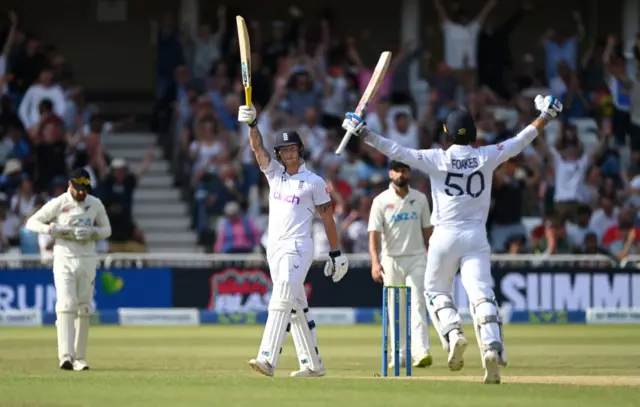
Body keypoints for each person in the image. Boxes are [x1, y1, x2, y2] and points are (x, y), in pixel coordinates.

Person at [342, 95, 563, 384]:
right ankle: (493, 347)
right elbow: (521, 140)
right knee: (482, 293)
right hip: (475, 236)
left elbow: (396, 149)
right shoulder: (487, 154)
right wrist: (546, 116)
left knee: (434, 290)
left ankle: (453, 331)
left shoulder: (438, 158)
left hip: (444, 236)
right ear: (473, 134)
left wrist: (364, 132)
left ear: (446, 135)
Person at [237, 104, 349, 377]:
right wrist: (252, 125)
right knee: (297, 305)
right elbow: (257, 149)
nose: (288, 154)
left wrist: (336, 252)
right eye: (283, 151)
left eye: (292, 149)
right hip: (274, 247)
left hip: (298, 246)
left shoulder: (314, 182)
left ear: (300, 150)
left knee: (282, 294)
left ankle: (267, 358)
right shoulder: (275, 174)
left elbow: (328, 219)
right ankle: (313, 364)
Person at [25, 168, 112, 371]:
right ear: (70, 185)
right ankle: (65, 356)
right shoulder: (59, 203)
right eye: (79, 189)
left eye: (85, 190)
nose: (82, 193)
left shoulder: (94, 204)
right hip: (64, 259)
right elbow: (31, 222)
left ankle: (79, 358)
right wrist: (52, 229)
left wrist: (92, 233)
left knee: (84, 307)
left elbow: (107, 230)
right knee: (66, 305)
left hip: (88, 260)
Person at [368, 160, 433, 369]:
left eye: (405, 171)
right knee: (396, 309)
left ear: (409, 173)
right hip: (391, 259)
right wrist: (375, 263)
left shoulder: (420, 199)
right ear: (390, 173)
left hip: (416, 258)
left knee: (417, 304)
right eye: (398, 171)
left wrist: (432, 256)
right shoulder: (381, 201)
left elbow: (428, 232)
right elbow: (374, 236)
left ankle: (421, 351)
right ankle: (400, 354)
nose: (401, 175)